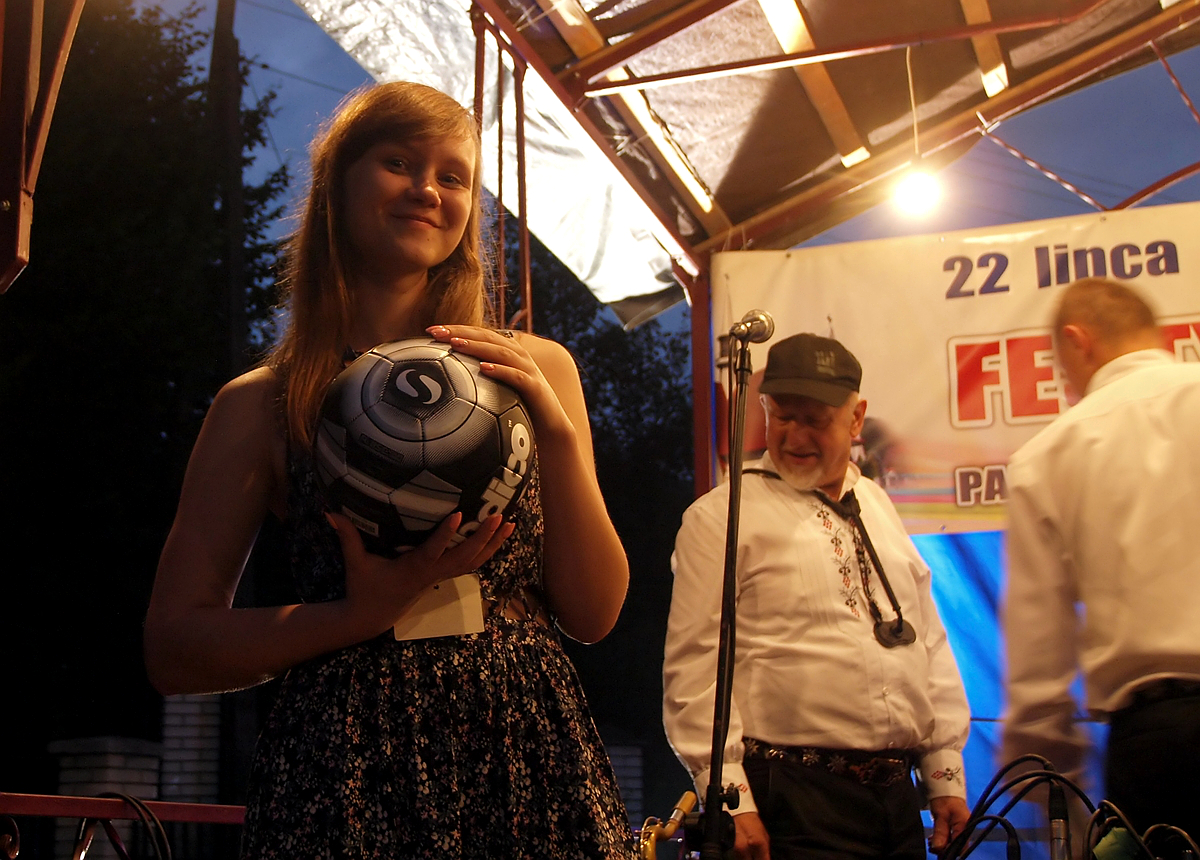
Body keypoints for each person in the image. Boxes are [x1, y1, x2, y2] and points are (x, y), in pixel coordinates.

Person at [144, 81, 636, 859]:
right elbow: (173, 649)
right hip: (344, 763)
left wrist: (561, 436)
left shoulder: (534, 370)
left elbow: (595, 612)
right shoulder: (264, 402)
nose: (427, 190)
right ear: (336, 186)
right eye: (399, 162)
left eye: (453, 176)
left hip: (524, 752)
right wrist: (354, 616)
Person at [663, 333, 971, 860]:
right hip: (791, 799)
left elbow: (929, 644)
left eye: (816, 420)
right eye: (783, 416)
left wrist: (944, 774)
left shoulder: (876, 504)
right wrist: (732, 799)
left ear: (856, 419)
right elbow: (695, 669)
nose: (796, 435)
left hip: (896, 802)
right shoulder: (722, 517)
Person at [1002, 277, 1200, 840]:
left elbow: (1039, 648)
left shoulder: (1048, 455)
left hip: (1160, 746)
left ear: (1077, 341)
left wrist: (1052, 781)